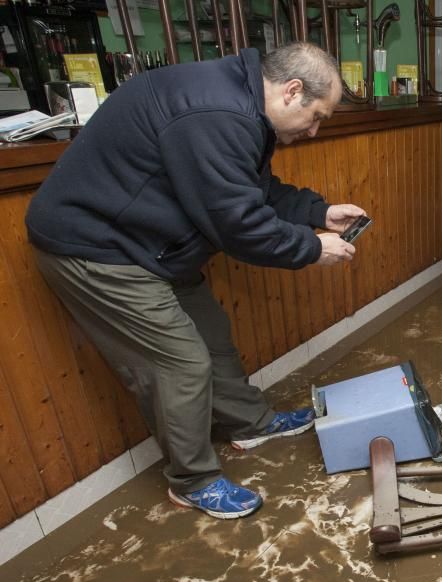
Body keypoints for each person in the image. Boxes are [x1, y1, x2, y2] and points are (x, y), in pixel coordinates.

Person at [25, 43, 363, 520]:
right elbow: (239, 226)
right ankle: (192, 480)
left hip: (156, 243)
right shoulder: (217, 112)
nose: (314, 130)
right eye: (316, 116)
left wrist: (318, 212)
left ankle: (250, 423)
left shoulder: (241, 102)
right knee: (180, 363)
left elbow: (253, 188)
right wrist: (313, 247)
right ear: (292, 91)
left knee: (213, 339)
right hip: (99, 249)